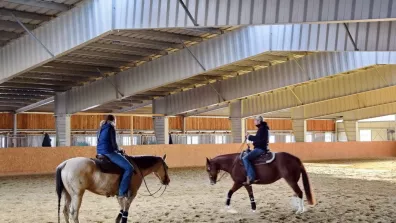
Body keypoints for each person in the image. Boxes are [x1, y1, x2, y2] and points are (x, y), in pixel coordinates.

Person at [96, 114, 134, 199]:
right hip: (108, 152)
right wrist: (120, 150)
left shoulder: (100, 128)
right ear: (113, 121)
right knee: (129, 168)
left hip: (99, 152)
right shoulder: (111, 127)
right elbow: (113, 144)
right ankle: (121, 192)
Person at [242, 116, 270, 185]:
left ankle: (251, 177)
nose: (254, 122)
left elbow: (258, 138)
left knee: (245, 158)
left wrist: (249, 137)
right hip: (260, 147)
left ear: (259, 121)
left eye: (255, 120)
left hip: (260, 149)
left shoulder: (262, 128)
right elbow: (259, 139)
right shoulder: (263, 128)